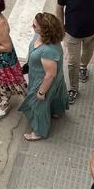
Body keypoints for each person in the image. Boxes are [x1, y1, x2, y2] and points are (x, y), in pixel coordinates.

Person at [19, 12, 69, 140]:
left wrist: (41, 92)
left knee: (39, 106)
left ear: (45, 30)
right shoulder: (44, 37)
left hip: (42, 82)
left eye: (35, 26)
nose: (32, 27)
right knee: (55, 97)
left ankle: (39, 132)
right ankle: (56, 112)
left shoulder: (48, 51)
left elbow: (50, 75)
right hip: (43, 76)